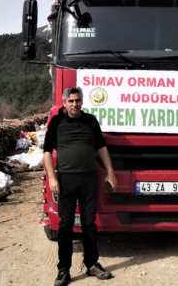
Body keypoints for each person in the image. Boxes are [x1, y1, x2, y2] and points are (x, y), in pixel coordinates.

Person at [43, 86, 118, 286]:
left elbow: (101, 148)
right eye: (71, 101)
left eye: (77, 100)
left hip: (89, 179)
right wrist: (52, 178)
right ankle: (63, 269)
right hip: (66, 179)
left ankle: (92, 264)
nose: (75, 104)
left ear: (82, 102)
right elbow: (47, 152)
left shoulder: (90, 121)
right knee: (65, 225)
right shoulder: (57, 122)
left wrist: (110, 173)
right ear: (64, 103)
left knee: (89, 224)